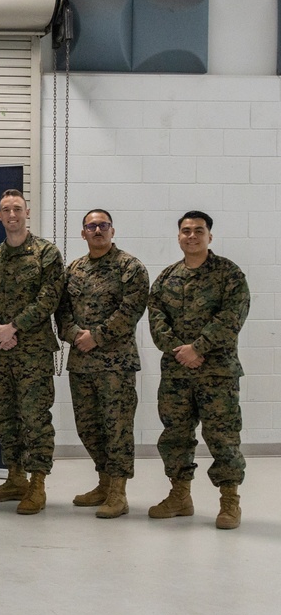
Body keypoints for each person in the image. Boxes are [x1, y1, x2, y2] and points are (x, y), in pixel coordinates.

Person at [147, 210, 250, 529]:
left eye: (199, 230)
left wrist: (198, 348)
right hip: (177, 374)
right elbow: (155, 316)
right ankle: (180, 496)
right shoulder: (166, 277)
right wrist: (179, 349)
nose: (192, 235)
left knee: (223, 436)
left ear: (210, 236)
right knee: (175, 436)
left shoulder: (228, 274)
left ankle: (230, 502)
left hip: (217, 373)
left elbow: (233, 316)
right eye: (186, 230)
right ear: (178, 236)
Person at [56, 210, 148, 519]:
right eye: (91, 226)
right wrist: (73, 335)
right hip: (81, 364)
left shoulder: (130, 268)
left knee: (117, 429)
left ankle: (118, 493)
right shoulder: (74, 270)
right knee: (88, 428)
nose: (97, 230)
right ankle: (104, 481)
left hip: (115, 365)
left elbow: (131, 310)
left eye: (103, 225)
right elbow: (62, 311)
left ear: (112, 230)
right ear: (83, 233)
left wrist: (97, 336)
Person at [0, 189, 63, 515]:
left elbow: (49, 298)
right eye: (5, 210)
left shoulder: (46, 253)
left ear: (26, 212)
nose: (11, 214)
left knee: (35, 418)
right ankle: (15, 477)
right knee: (3, 417)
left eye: (17, 209)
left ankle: (37, 483)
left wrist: (13, 328)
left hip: (33, 351)